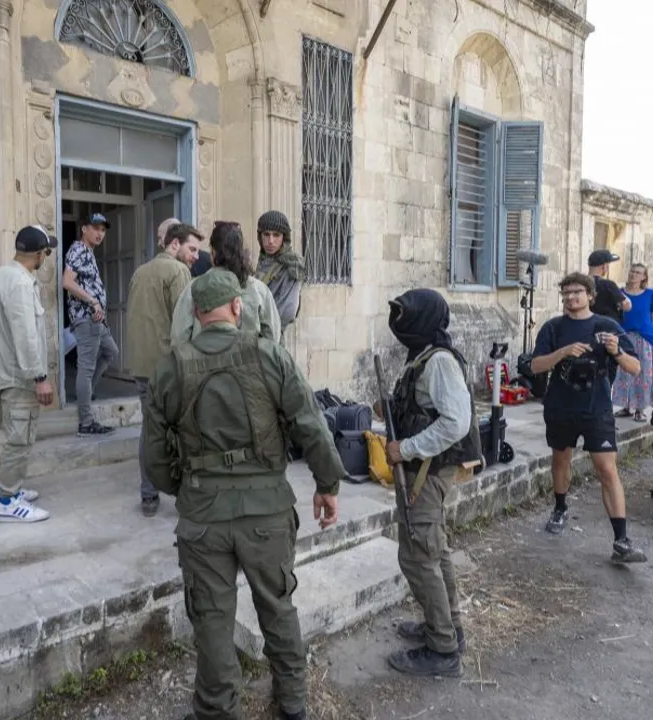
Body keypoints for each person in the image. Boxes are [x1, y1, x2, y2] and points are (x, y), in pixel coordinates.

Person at [142, 268, 344, 720]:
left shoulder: (171, 367)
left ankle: (218, 709)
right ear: (237, 307)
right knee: (277, 607)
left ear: (196, 314)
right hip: (267, 511)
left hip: (203, 516)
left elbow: (153, 459)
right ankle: (292, 702)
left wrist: (187, 488)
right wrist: (327, 485)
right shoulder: (270, 354)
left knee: (212, 619)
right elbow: (312, 425)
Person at [381, 289, 483, 678]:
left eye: (405, 315)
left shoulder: (439, 361)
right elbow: (424, 408)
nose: (399, 323)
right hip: (421, 470)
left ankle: (442, 650)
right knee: (434, 552)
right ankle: (447, 628)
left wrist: (405, 448)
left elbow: (455, 422)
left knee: (418, 557)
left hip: (426, 473)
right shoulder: (423, 356)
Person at [530, 272, 647, 564]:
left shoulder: (607, 326)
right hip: (560, 406)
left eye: (577, 292)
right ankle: (560, 508)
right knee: (561, 459)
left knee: (607, 469)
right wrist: (562, 352)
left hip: (597, 408)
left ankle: (622, 540)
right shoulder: (553, 328)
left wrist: (616, 351)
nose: (571, 297)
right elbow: (535, 366)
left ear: (590, 296)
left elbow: (635, 368)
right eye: (566, 293)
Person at [0, 225, 58, 523]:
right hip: (18, 376)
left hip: (4, 371)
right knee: (20, 438)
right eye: (46, 252)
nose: (46, 257)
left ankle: (2, 489)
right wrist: (40, 377)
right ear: (39, 254)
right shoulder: (21, 283)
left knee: (14, 434)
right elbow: (26, 336)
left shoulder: (2, 275)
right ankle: (8, 502)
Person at [127, 222, 203, 517]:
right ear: (174, 244)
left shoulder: (140, 271)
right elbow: (185, 323)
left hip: (141, 366)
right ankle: (185, 493)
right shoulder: (178, 271)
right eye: (192, 249)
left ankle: (148, 495)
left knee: (150, 429)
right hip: (169, 367)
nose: (196, 256)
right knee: (183, 431)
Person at [170, 221, 282, 347]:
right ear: (241, 252)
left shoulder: (194, 288)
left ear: (212, 252)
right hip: (249, 357)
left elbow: (179, 337)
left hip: (205, 357)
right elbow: (273, 337)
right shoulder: (259, 290)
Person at [62, 212, 118, 436]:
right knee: (86, 367)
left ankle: (86, 394)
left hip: (96, 319)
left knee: (111, 351)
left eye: (103, 230)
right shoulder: (78, 250)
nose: (100, 233)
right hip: (86, 318)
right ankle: (86, 422)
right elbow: (67, 282)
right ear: (84, 229)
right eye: (95, 228)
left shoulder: (88, 252)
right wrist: (92, 301)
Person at [612, 263, 653, 421]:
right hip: (624, 336)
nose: (633, 274)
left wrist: (644, 328)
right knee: (624, 372)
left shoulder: (651, 294)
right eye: (632, 271)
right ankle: (627, 406)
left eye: (638, 272)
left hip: (645, 338)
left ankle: (640, 409)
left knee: (643, 374)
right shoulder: (619, 293)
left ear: (644, 277)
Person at [255, 210, 305, 337]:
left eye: (276, 235)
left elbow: (288, 311)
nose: (270, 241)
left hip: (270, 335)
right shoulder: (264, 260)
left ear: (284, 238)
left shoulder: (291, 265)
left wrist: (264, 328)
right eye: (266, 234)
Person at [588, 249, 632, 322]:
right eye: (607, 265)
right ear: (604, 266)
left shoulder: (579, 283)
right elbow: (626, 305)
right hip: (607, 324)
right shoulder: (608, 284)